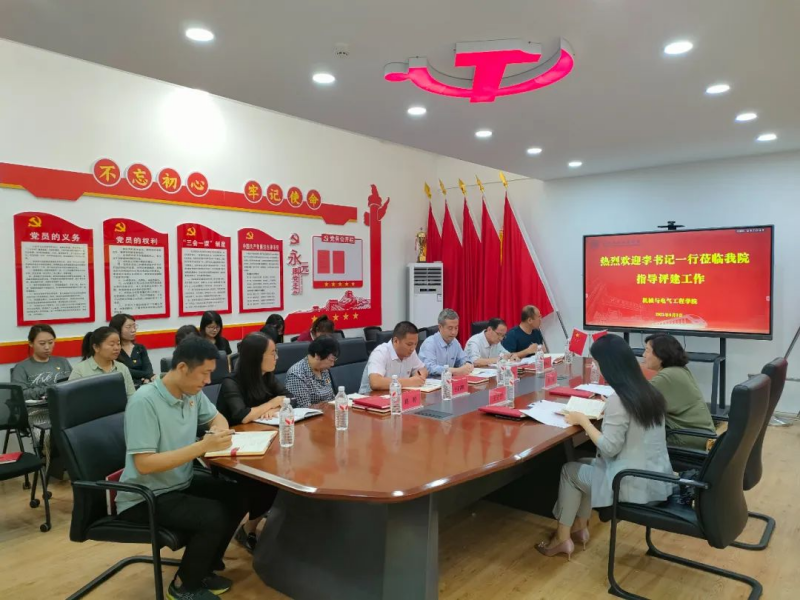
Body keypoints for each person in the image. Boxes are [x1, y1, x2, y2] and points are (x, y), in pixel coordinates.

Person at [116, 336, 248, 599]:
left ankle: (204, 567)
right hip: (145, 495)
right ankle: (183, 586)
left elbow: (217, 418)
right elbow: (144, 464)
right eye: (204, 373)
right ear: (182, 368)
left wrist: (218, 432)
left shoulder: (192, 393)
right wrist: (202, 446)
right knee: (213, 515)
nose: (208, 381)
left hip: (179, 481)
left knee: (239, 495)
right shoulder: (145, 402)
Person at [536, 335, 672, 559]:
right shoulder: (650, 391)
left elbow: (609, 448)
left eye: (597, 363)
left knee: (570, 472)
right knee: (583, 463)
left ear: (608, 365)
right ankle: (579, 528)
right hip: (656, 478)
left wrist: (583, 420)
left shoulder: (619, 400)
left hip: (631, 485)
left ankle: (562, 537)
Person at [217, 332, 286, 552]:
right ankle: (247, 530)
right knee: (270, 481)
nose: (277, 358)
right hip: (231, 454)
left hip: (262, 445)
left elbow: (287, 398)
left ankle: (267, 527)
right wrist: (271, 404)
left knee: (285, 470)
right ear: (257, 357)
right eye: (273, 353)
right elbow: (242, 415)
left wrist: (273, 407)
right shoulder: (231, 382)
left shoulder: (267, 377)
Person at [643, 334, 716, 450]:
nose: (643, 355)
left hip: (685, 438)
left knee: (635, 441)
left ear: (661, 354)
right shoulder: (679, 370)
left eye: (647, 351)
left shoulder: (667, 376)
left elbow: (636, 399)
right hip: (701, 435)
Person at [358, 321, 428, 394]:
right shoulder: (380, 352)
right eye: (409, 344)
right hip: (370, 397)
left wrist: (419, 377)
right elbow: (375, 382)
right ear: (396, 341)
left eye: (415, 344)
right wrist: (410, 382)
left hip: (396, 396)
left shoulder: (411, 352)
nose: (413, 348)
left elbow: (422, 369)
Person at [68, 326, 136, 398]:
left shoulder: (122, 368)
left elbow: (131, 397)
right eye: (112, 344)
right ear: (96, 347)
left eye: (118, 344)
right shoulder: (80, 370)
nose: (117, 348)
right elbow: (71, 399)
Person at [12, 324, 72, 400]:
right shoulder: (21, 368)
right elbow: (20, 394)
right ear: (31, 343)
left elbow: (74, 384)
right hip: (39, 406)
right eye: (42, 343)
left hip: (65, 403)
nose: (47, 347)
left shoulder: (62, 362)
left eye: (50, 342)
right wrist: (49, 390)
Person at [285, 335, 339, 407]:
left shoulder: (323, 369)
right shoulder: (296, 374)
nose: (332, 364)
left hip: (329, 410)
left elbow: (331, 397)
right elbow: (304, 408)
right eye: (331, 360)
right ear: (317, 356)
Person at [418, 309, 474, 377]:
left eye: (456, 328)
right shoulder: (429, 343)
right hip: (432, 381)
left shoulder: (454, 342)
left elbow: (463, 358)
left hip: (449, 381)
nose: (453, 332)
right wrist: (454, 371)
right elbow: (429, 368)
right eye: (450, 328)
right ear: (440, 327)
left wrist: (467, 364)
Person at [109, 313, 154, 385]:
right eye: (128, 327)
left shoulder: (140, 348)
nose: (133, 330)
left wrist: (148, 377)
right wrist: (147, 375)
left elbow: (148, 368)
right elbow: (124, 371)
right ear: (117, 329)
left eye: (134, 326)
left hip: (144, 384)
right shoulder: (114, 350)